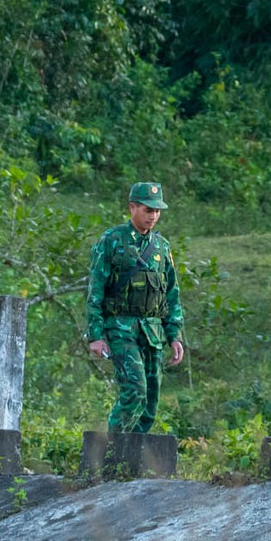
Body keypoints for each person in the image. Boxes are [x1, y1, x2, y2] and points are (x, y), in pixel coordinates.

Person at [86, 180, 185, 432]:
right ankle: (112, 449)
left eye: (157, 211)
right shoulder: (112, 240)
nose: (153, 216)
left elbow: (171, 293)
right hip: (121, 328)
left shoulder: (162, 247)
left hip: (153, 331)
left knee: (150, 400)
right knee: (135, 390)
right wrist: (95, 336)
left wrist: (174, 336)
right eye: (148, 210)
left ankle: (135, 452)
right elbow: (95, 289)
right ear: (132, 207)